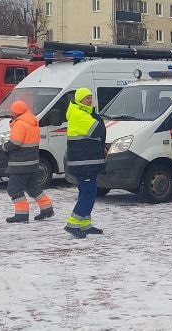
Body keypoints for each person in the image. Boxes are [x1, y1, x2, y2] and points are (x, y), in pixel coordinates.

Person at [64, 87, 106, 239]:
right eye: (86, 98)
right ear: (79, 100)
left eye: (90, 98)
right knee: (88, 193)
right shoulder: (78, 114)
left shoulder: (83, 113)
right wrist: (97, 116)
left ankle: (85, 224)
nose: (89, 100)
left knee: (88, 192)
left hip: (86, 162)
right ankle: (72, 224)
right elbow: (98, 130)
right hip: (84, 163)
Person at [3, 100, 53, 223]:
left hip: (20, 164)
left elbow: (15, 143)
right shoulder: (32, 121)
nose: (11, 114)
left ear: (16, 112)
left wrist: (4, 147)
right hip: (32, 162)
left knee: (13, 189)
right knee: (33, 187)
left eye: (12, 112)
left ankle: (21, 215)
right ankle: (47, 208)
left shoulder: (20, 123)